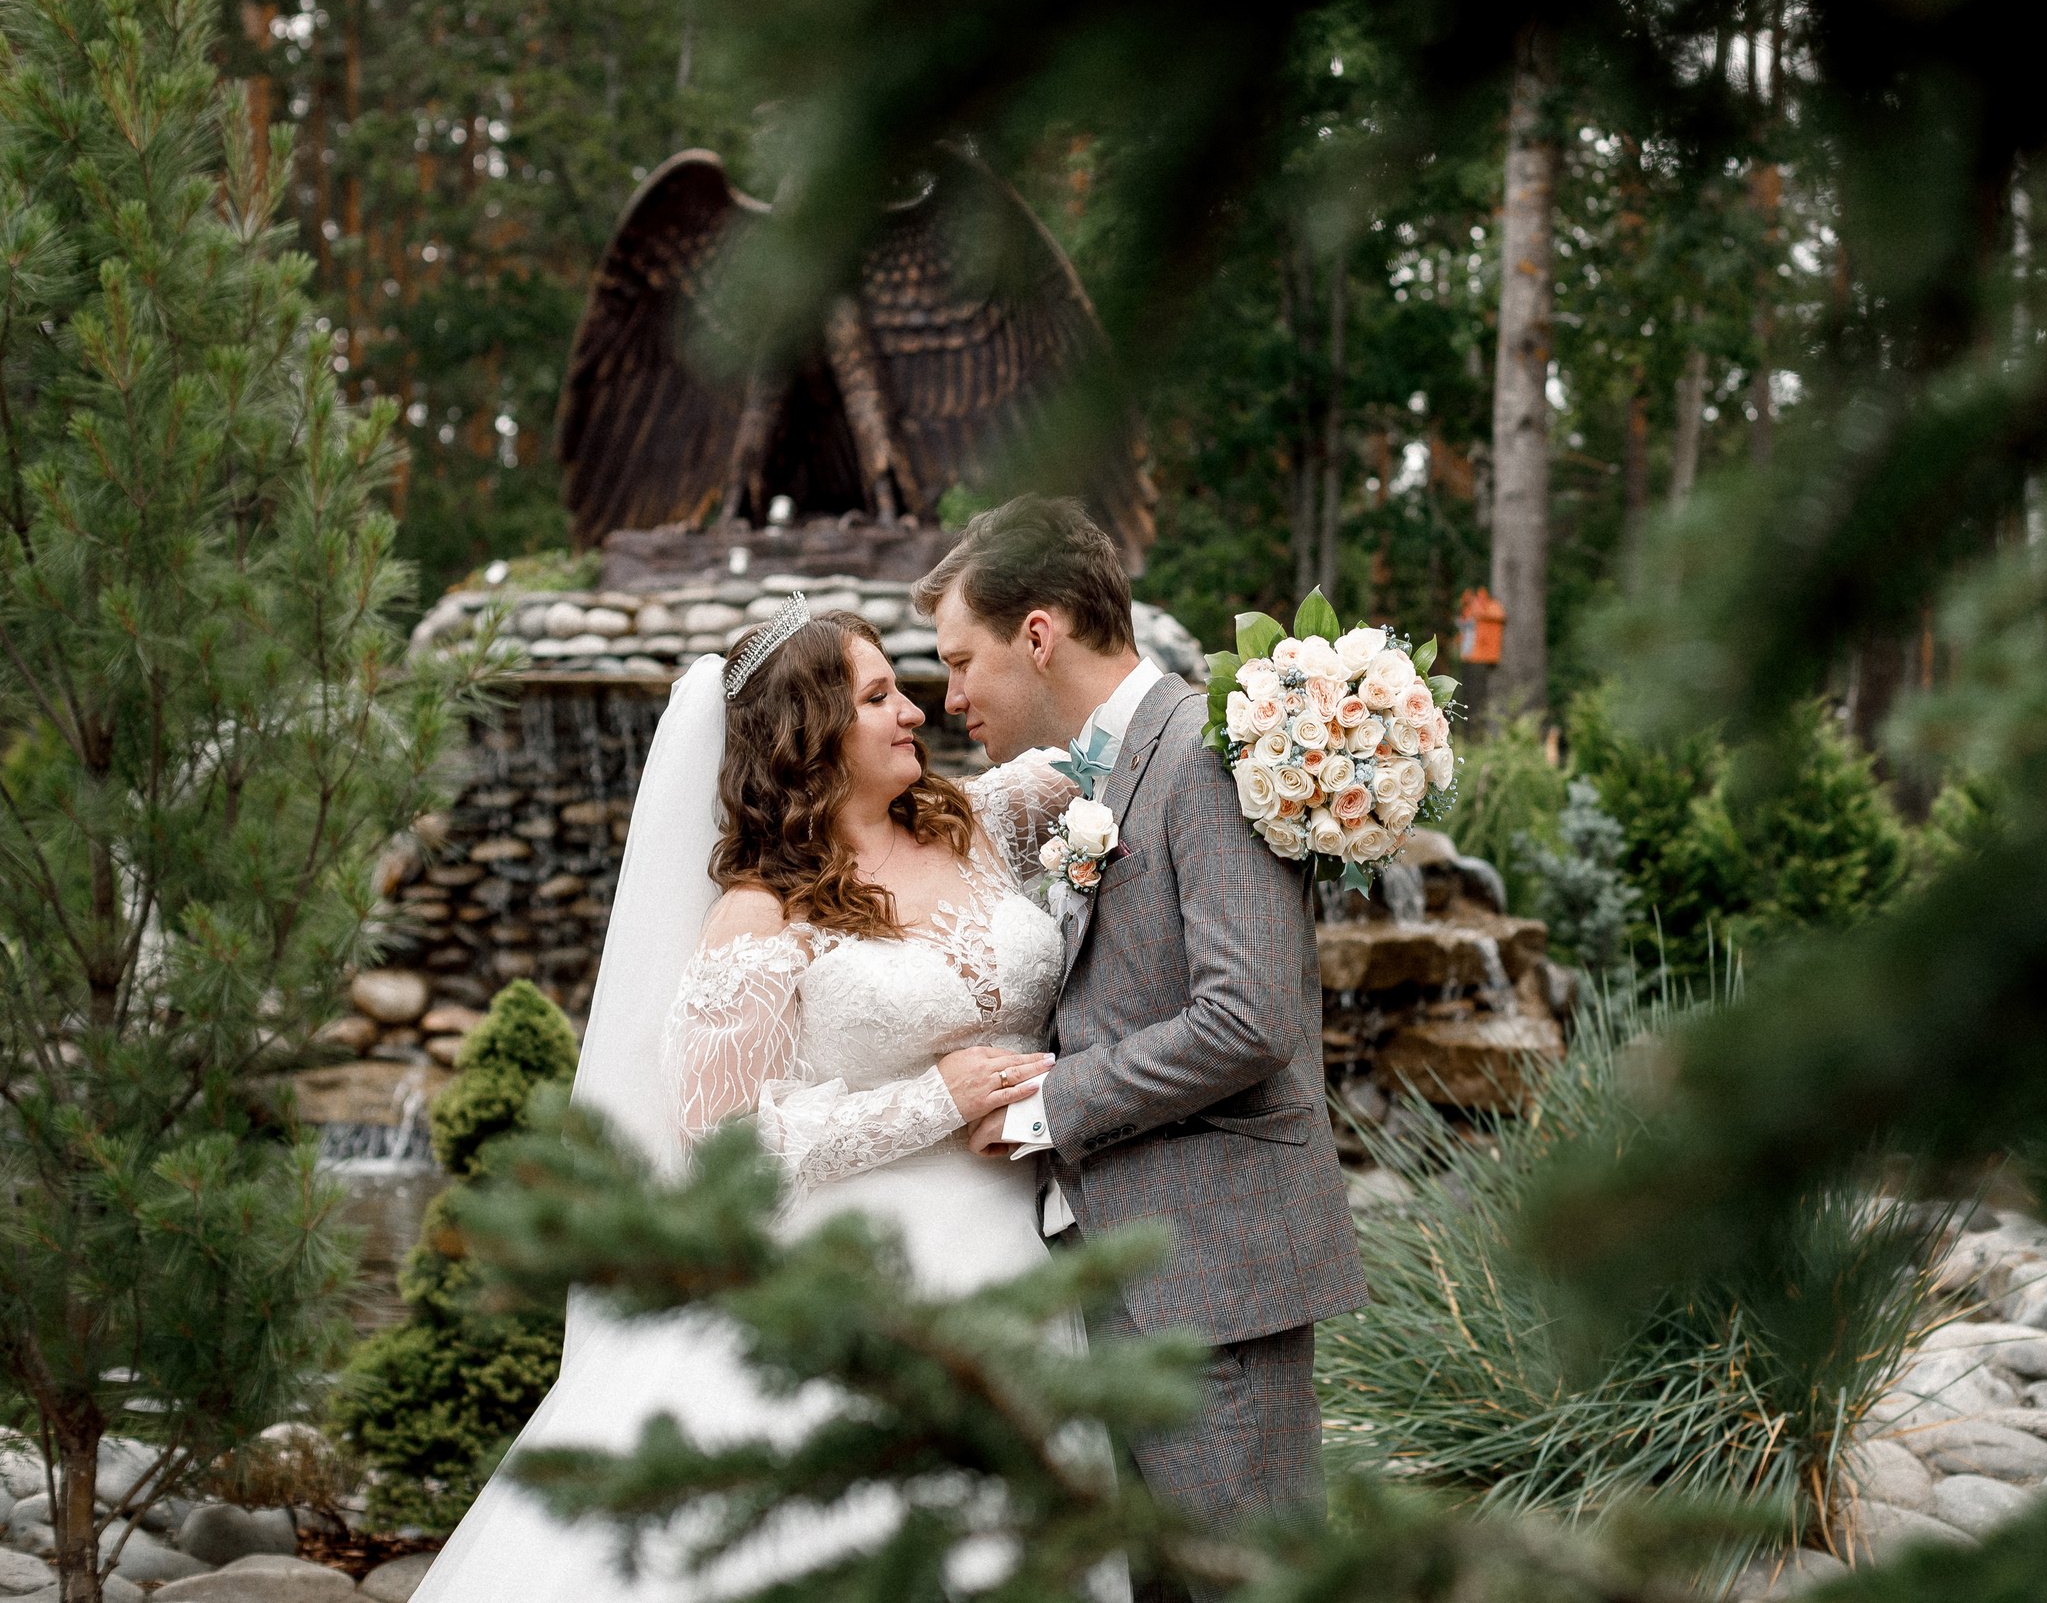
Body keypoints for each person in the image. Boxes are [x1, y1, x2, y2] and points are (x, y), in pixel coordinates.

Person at [413, 603, 1102, 1602]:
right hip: (866, 1282)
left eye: (901, 688)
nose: (914, 711)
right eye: (878, 697)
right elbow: (721, 1151)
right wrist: (934, 1099)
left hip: (1026, 1248)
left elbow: (1119, 747)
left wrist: (1304, 712)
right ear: (806, 735)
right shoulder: (759, 913)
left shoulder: (977, 820)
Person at [920, 498, 1366, 1596]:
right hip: (1130, 1268)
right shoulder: (1108, 769)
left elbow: (1248, 1018)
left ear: (1038, 634)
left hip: (1216, 1277)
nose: (950, 697)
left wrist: (1046, 1105)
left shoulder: (1204, 759)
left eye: (960, 660)